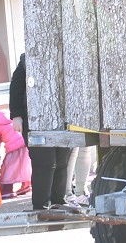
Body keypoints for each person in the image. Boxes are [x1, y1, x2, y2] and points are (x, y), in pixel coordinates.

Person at [9, 53, 77, 211]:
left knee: (62, 161)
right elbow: (16, 87)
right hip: (34, 120)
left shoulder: (65, 54)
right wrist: (16, 115)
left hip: (61, 119)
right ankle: (41, 205)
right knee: (45, 163)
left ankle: (58, 201)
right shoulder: (27, 60)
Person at [0, 102, 32, 199]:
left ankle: (7, 189)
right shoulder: (6, 117)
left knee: (10, 168)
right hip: (23, 141)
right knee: (24, 165)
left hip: (12, 146)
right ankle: (26, 184)